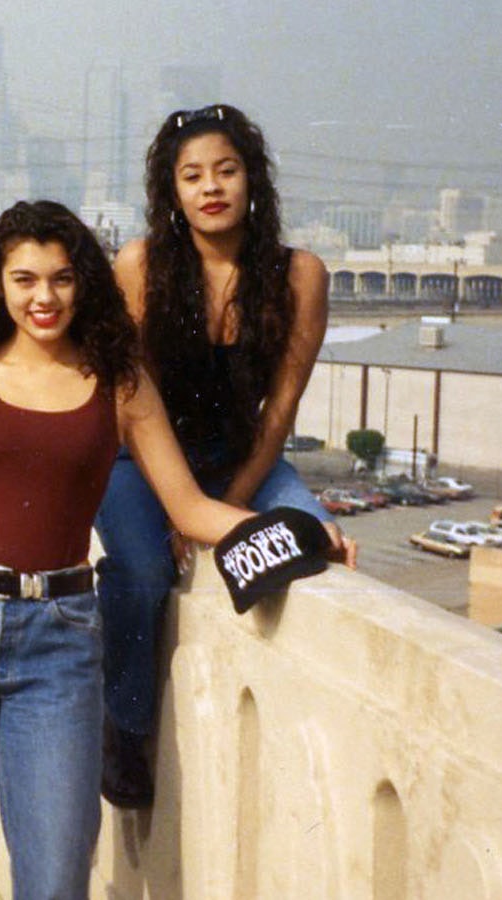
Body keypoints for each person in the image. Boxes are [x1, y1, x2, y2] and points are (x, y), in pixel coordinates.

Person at [0, 200, 264, 900]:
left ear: (86, 284)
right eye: (24, 279)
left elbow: (189, 508)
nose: (43, 297)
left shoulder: (120, 383)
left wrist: (295, 531)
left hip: (59, 641)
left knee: (56, 876)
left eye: (61, 278)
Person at [95, 103, 357, 809]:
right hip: (141, 461)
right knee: (144, 572)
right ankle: (123, 725)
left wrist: (227, 507)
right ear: (172, 191)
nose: (211, 187)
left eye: (226, 170)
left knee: (318, 546)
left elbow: (280, 416)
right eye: (192, 176)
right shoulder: (140, 265)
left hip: (246, 460)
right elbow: (128, 400)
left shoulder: (301, 275)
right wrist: (180, 506)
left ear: (252, 180)